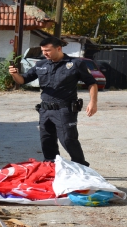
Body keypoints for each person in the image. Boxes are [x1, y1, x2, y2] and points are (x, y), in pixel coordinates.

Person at [9, 37, 98, 166]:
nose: (45, 53)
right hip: (45, 110)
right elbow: (22, 80)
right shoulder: (41, 65)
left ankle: (81, 167)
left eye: (48, 50)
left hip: (64, 110)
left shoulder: (75, 64)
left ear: (59, 48)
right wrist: (14, 74)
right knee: (47, 141)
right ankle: (52, 166)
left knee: (68, 140)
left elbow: (92, 83)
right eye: (43, 50)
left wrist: (93, 102)